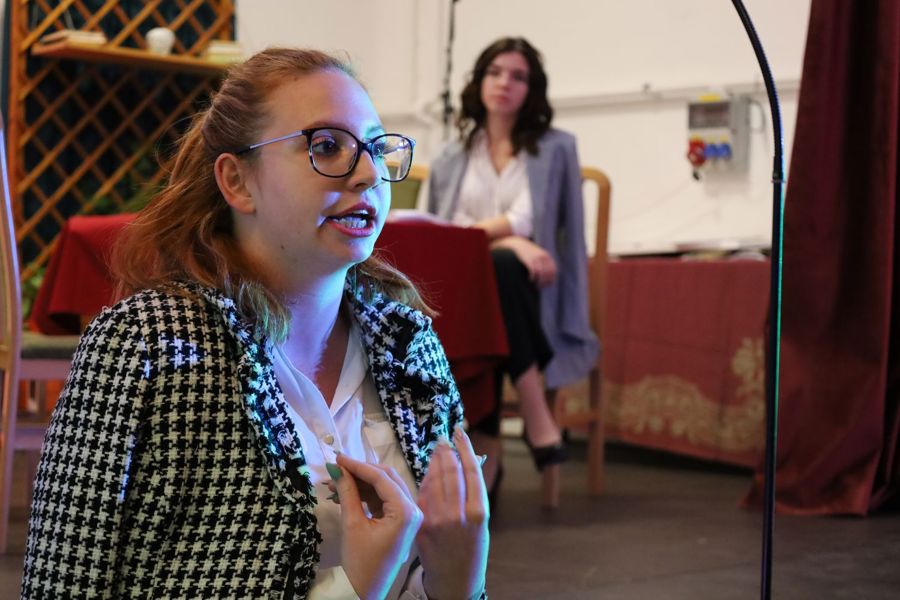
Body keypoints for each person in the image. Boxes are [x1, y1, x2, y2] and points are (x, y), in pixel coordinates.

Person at [22, 47, 488, 600]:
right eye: (326, 146)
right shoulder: (146, 346)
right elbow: (62, 583)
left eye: (374, 148)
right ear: (237, 181)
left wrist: (457, 584)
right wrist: (355, 587)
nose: (369, 174)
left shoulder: (408, 343)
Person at [427, 37, 599, 501]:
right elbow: (446, 233)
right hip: (468, 292)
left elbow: (532, 220)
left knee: (501, 273)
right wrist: (513, 243)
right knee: (498, 268)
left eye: (518, 76)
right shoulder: (450, 156)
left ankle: (487, 445)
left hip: (535, 290)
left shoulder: (556, 149)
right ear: (479, 81)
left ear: (532, 89)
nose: (505, 83)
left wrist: (513, 244)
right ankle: (532, 409)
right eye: (495, 72)